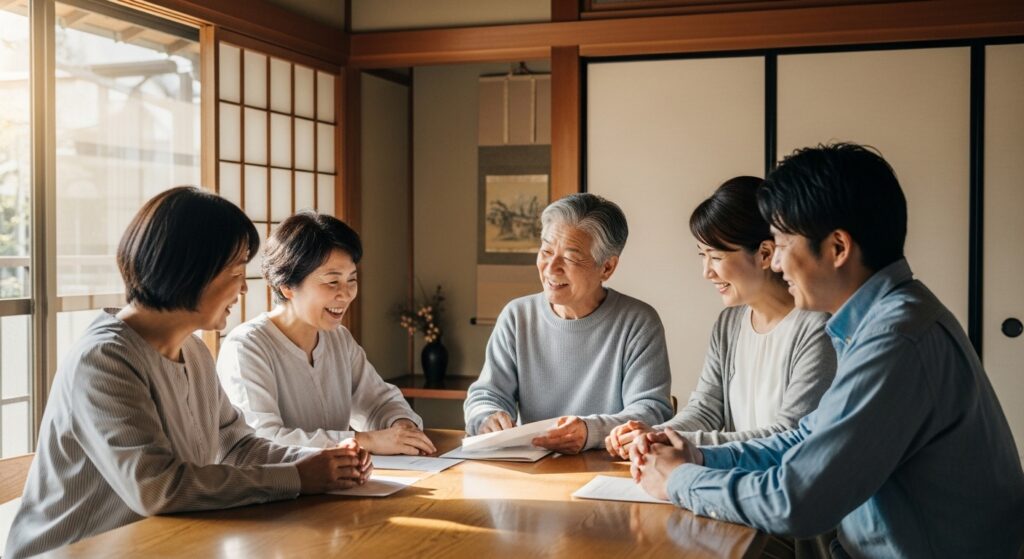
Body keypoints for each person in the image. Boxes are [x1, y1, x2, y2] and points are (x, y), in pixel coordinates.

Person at [630, 144, 1024, 558]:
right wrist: (697, 455)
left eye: (781, 244)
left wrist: (679, 479)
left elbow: (797, 501)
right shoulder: (881, 319)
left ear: (838, 248)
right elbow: (805, 437)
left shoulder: (895, 337)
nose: (777, 264)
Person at [5, 187, 371, 559]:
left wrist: (321, 463)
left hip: (158, 545)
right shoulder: (104, 359)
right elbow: (158, 486)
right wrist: (297, 478)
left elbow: (238, 445)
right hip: (73, 551)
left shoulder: (193, 351)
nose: (244, 288)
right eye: (236, 272)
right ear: (190, 269)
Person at [604, 176, 836, 459]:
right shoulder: (729, 324)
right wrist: (656, 436)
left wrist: (671, 440)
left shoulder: (817, 327)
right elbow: (706, 409)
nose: (707, 272)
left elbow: (788, 434)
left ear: (765, 253)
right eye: (702, 255)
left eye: (715, 256)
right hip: (734, 484)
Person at [463, 193, 673, 454]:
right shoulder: (517, 316)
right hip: (535, 467)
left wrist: (590, 432)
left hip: (610, 468)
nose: (551, 268)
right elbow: (486, 395)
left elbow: (651, 411)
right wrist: (486, 417)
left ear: (606, 267)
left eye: (570, 258)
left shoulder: (638, 322)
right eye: (546, 251)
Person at [218, 211, 435, 456]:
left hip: (342, 485)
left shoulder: (338, 339)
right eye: (332, 282)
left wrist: (400, 425)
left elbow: (377, 402)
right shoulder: (247, 346)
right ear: (287, 286)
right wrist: (364, 441)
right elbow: (263, 439)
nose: (346, 293)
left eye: (351, 279)